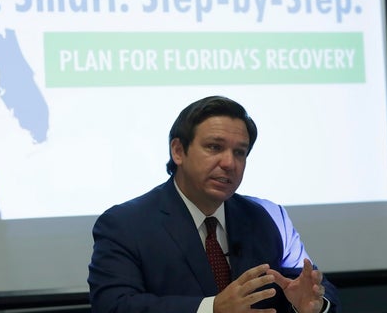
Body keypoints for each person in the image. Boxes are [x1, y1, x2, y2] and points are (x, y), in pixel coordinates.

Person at [88, 95, 339, 313]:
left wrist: (308, 305)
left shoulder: (267, 217)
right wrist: (212, 308)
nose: (229, 163)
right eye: (214, 147)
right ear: (178, 151)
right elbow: (114, 305)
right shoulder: (125, 225)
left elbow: (316, 288)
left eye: (240, 152)